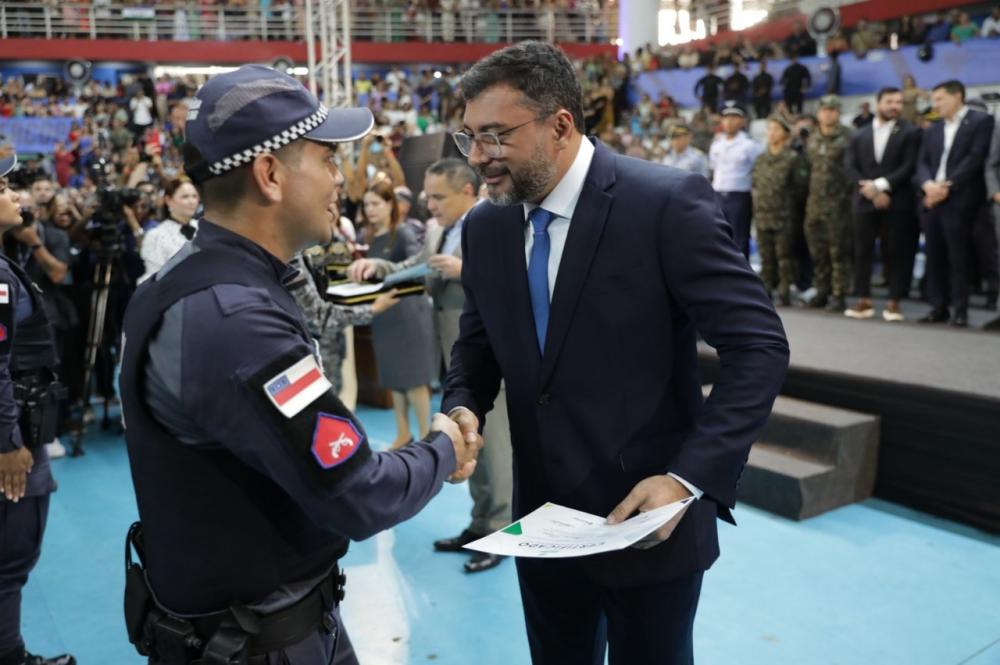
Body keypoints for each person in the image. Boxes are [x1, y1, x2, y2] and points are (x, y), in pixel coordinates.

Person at [118, 65, 481, 665]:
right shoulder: (236, 321)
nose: (341, 179)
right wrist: (441, 447)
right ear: (270, 174)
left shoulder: (186, 282)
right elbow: (357, 494)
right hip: (260, 640)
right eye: (327, 158)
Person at [444, 41, 789, 665]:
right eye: (466, 136)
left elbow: (758, 345)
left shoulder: (664, 203)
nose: (477, 158)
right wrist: (462, 404)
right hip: (541, 524)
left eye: (494, 136)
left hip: (648, 521)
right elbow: (477, 345)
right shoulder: (486, 225)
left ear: (560, 124)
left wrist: (686, 481)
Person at [349, 158, 514, 574]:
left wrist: (466, 270)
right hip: (453, 354)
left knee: (495, 449)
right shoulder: (439, 231)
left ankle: (500, 530)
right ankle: (479, 524)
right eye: (428, 197)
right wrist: (381, 268)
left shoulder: (497, 222)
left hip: (488, 358)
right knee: (471, 443)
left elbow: (519, 281)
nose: (430, 205)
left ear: (466, 191)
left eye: (438, 197)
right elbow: (416, 271)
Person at [0, 135, 76, 665]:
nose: (13, 193)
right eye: (1, 186)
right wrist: (8, 441)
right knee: (12, 554)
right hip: (13, 435)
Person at [914, 80, 996, 327]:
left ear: (957, 96)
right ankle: (938, 306)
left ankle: (960, 310)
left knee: (958, 258)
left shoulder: (981, 121)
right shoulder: (934, 129)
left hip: (960, 200)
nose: (935, 104)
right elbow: (922, 162)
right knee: (934, 256)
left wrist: (946, 186)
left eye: (939, 99)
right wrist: (928, 185)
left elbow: (975, 157)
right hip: (931, 200)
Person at [361, 181, 436, 448]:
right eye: (366, 204)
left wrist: (383, 269)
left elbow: (418, 269)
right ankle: (403, 432)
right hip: (384, 316)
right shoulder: (368, 238)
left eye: (376, 203)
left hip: (408, 314)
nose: (370, 209)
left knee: (414, 379)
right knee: (393, 377)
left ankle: (428, 435)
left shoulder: (403, 234)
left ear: (390, 205)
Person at [844, 87, 921, 321]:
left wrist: (880, 186)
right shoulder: (859, 134)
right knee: (862, 251)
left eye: (898, 102)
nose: (895, 106)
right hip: (864, 199)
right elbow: (849, 166)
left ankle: (894, 302)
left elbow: (909, 166)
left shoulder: (910, 132)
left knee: (896, 251)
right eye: (890, 101)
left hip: (896, 200)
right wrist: (869, 189)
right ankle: (863, 300)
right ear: (878, 104)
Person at [751, 115, 809, 305]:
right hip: (763, 215)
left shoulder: (793, 158)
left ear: (785, 134)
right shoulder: (761, 159)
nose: (772, 133)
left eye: (776, 129)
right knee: (766, 257)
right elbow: (756, 184)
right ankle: (765, 291)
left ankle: (784, 293)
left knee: (785, 257)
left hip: (785, 216)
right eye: (769, 129)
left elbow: (801, 189)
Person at [803, 95, 854, 312]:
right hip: (814, 203)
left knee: (838, 251)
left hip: (839, 203)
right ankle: (822, 291)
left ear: (839, 112)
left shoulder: (850, 137)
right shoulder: (812, 137)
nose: (828, 113)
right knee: (818, 251)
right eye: (825, 110)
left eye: (833, 110)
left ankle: (839, 294)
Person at [709, 103, 762, 258]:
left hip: (739, 196)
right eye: (726, 117)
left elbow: (757, 169)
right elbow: (714, 167)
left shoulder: (750, 145)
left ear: (742, 121)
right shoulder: (717, 144)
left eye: (734, 117)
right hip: (718, 195)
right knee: (718, 236)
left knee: (740, 238)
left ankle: (741, 276)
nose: (729, 121)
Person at [138, 177, 199, 282]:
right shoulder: (157, 235)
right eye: (185, 197)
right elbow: (154, 277)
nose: (192, 201)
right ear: (168, 200)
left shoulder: (203, 227)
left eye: (194, 196)